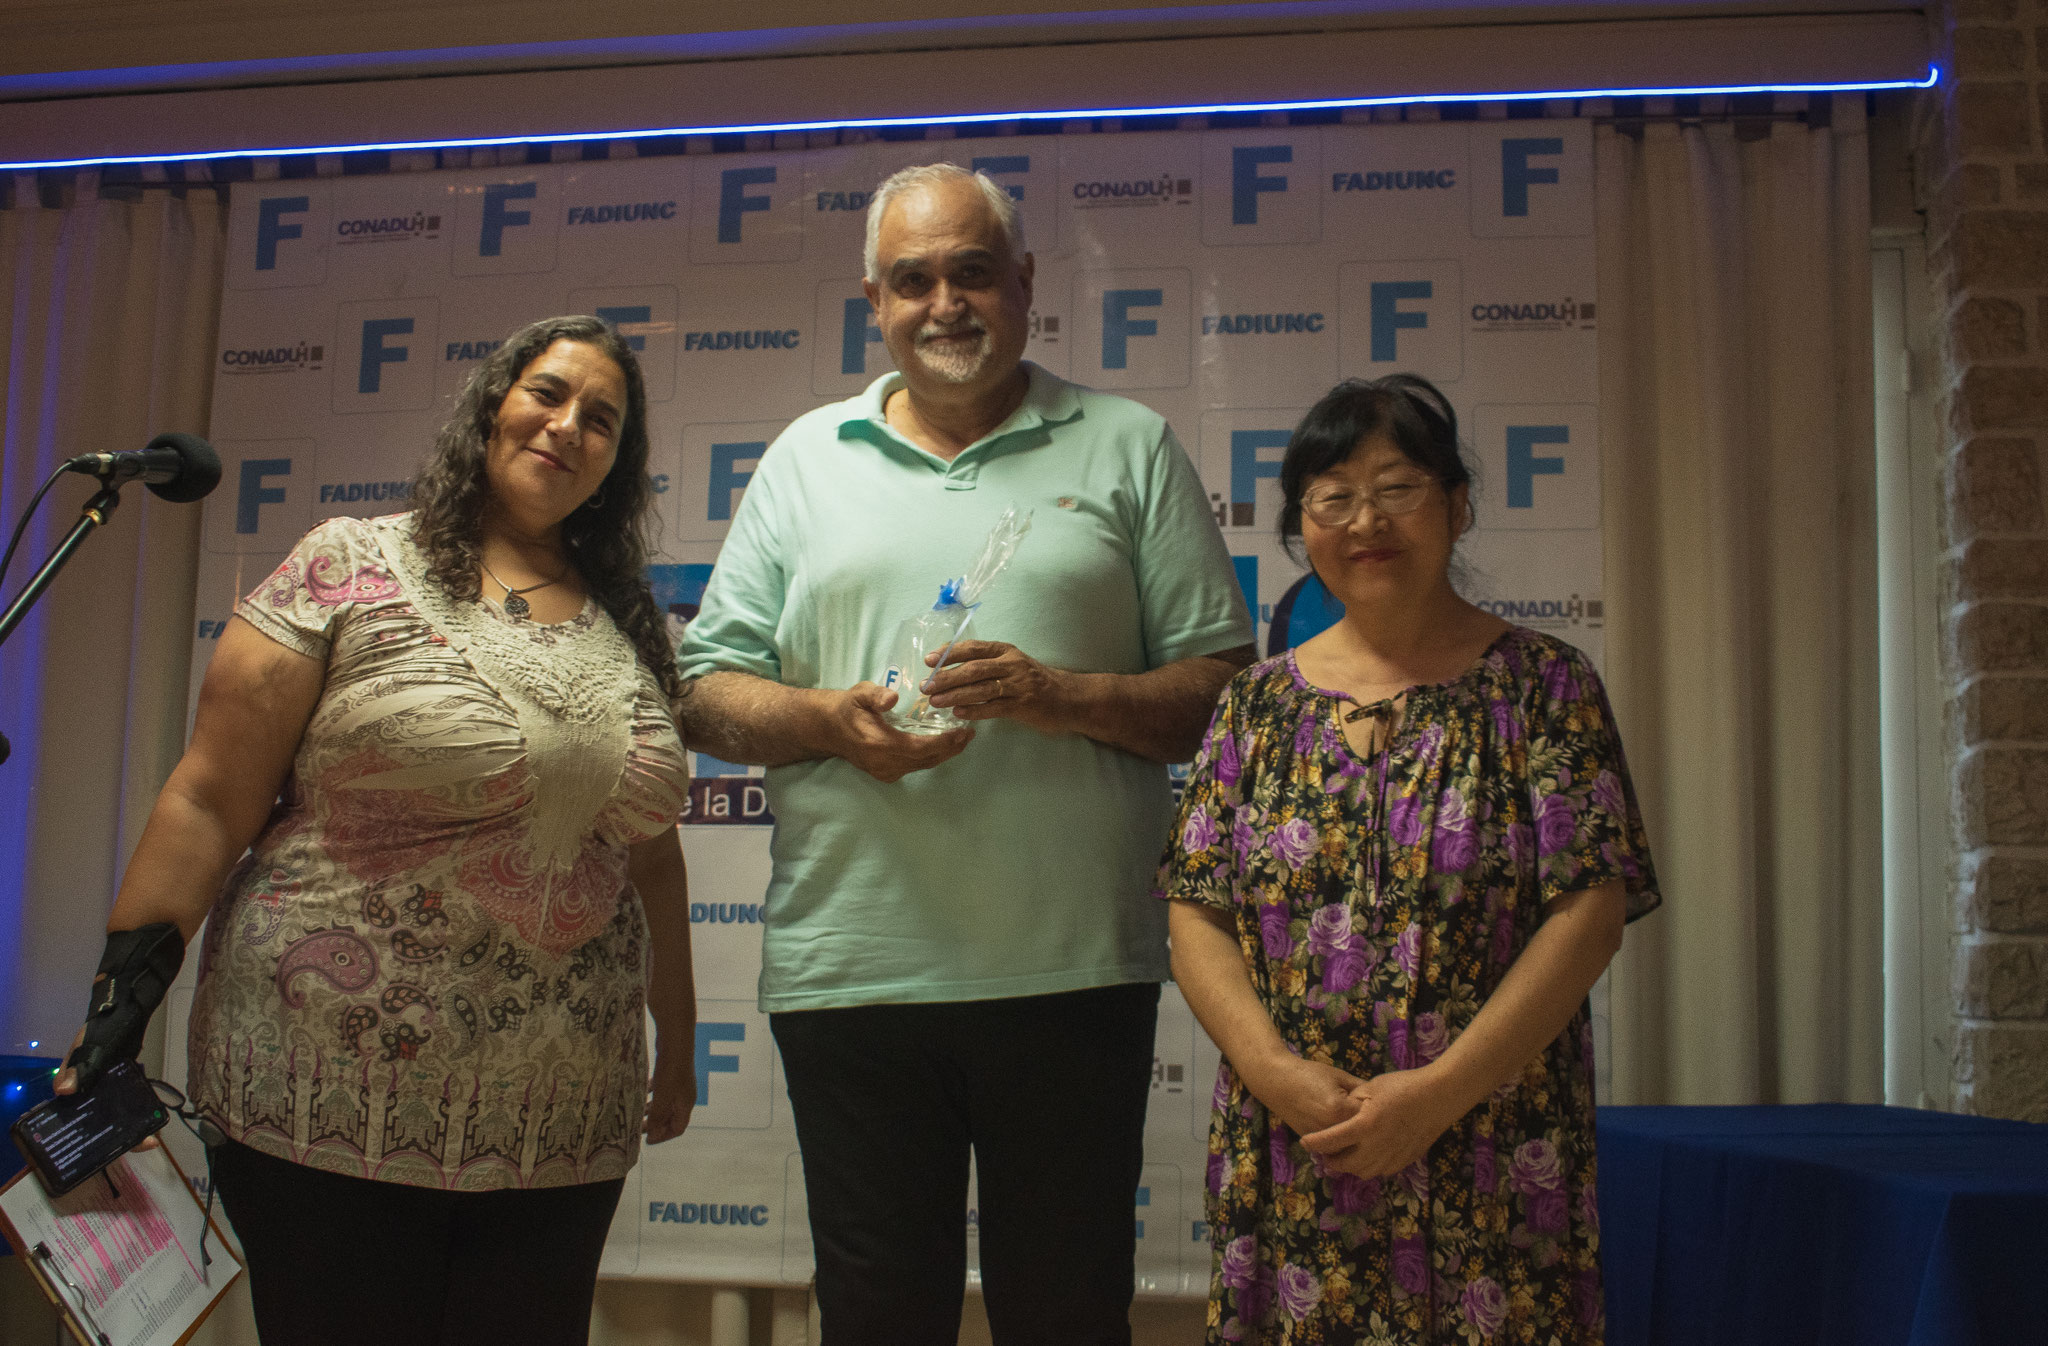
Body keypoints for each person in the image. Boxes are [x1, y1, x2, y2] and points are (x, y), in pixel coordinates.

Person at [676, 162, 1255, 1345]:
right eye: (913, 280)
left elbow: (1224, 700)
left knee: (1068, 1311)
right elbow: (702, 694)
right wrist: (826, 721)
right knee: (877, 1316)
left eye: (972, 272)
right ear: (874, 302)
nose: (944, 303)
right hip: (854, 970)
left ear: (1025, 283)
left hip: (1072, 969)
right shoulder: (805, 457)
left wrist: (1061, 695)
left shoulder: (1128, 444)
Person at [56, 315, 697, 1346]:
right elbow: (210, 797)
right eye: (546, 393)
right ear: (491, 410)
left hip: (560, 1119)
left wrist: (681, 1038)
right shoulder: (349, 562)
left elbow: (650, 852)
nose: (567, 425)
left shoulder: (630, 624)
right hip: (325, 1095)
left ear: (615, 466)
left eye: (601, 420)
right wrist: (119, 1005)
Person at [1160, 375, 1659, 1344]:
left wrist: (1436, 1095)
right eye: (1333, 496)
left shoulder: (1545, 685)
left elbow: (1589, 914)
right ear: (1301, 526)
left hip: (1493, 1140)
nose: (1366, 521)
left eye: (1397, 487)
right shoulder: (1253, 707)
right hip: (1300, 1142)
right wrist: (1273, 1069)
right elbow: (1197, 914)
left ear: (1456, 505)